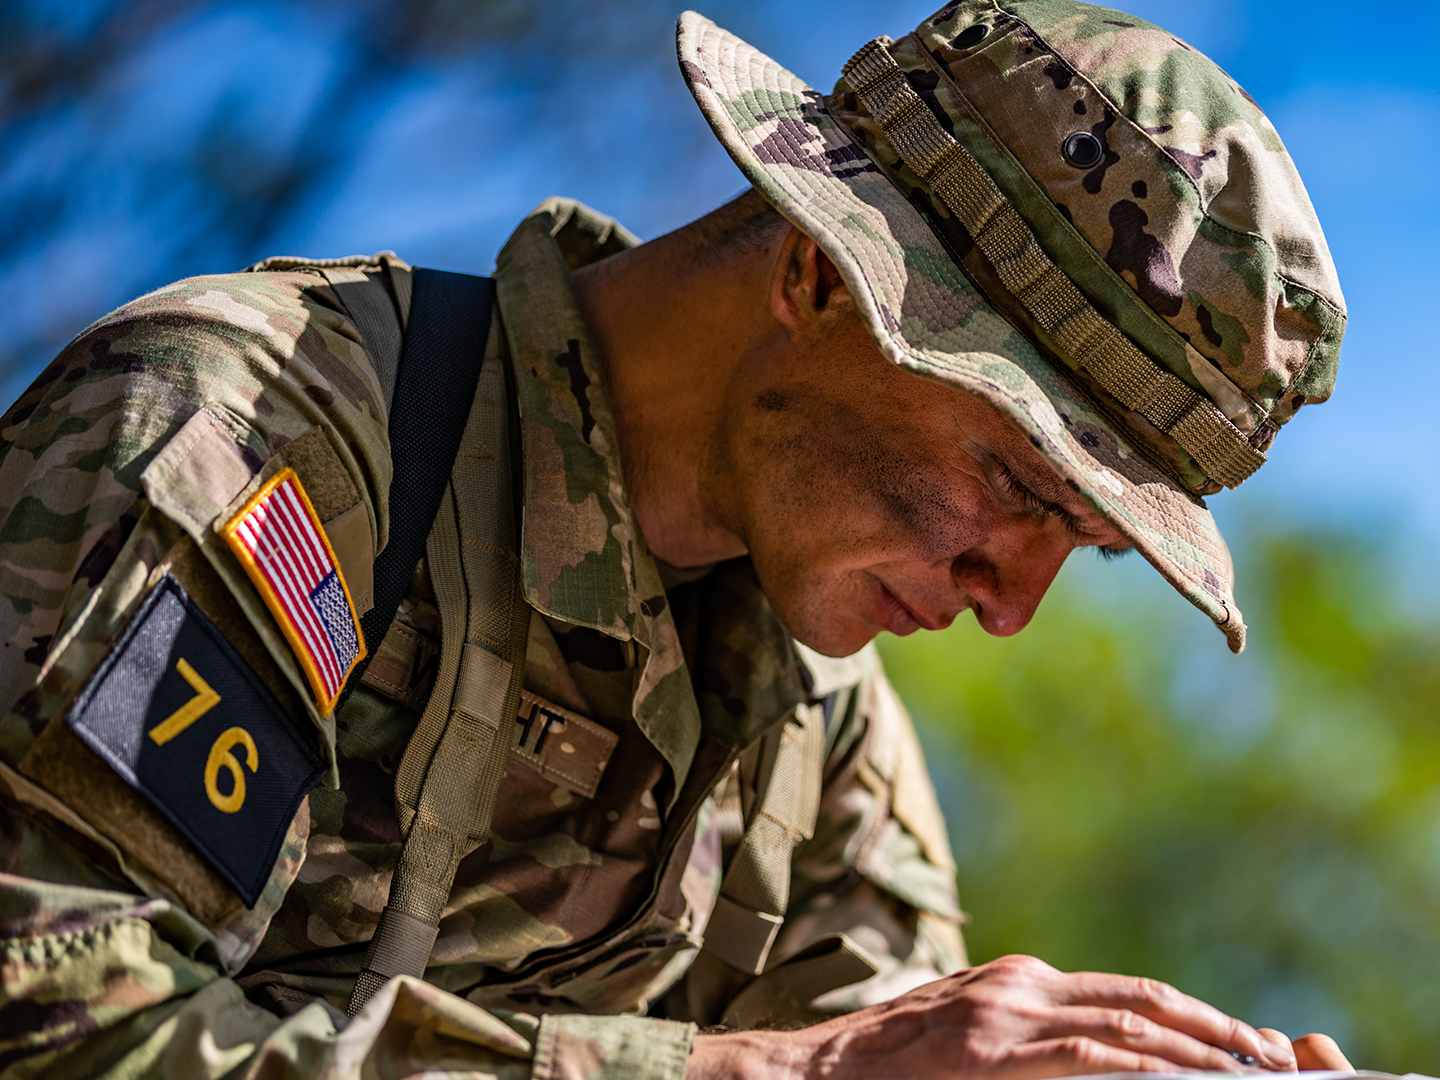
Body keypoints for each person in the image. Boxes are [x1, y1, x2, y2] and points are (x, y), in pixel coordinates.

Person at [0, 1, 1352, 1077]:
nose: (1010, 604)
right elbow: (57, 1028)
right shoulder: (255, 448)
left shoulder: (812, 717)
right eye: (1018, 480)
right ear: (824, 270)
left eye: (1090, 546)